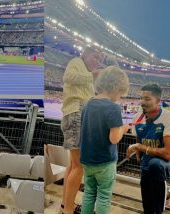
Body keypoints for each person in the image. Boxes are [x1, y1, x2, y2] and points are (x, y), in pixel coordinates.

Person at [60, 47, 105, 214]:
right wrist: (92, 76)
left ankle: (65, 206)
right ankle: (68, 210)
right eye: (95, 56)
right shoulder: (77, 62)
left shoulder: (84, 70)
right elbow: (68, 77)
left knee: (73, 164)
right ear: (85, 55)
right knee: (79, 166)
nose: (97, 61)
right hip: (76, 113)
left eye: (100, 58)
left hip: (77, 114)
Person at [80, 66, 130, 214]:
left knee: (89, 193)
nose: (120, 96)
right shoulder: (113, 108)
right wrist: (124, 128)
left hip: (87, 160)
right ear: (116, 87)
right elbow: (114, 139)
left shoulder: (88, 104)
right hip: (105, 162)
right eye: (121, 93)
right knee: (103, 196)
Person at [126, 84, 170, 214]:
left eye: (147, 99)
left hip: (166, 162)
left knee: (155, 165)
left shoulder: (169, 117)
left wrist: (139, 147)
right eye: (141, 98)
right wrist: (138, 150)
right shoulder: (137, 118)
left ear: (158, 101)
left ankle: (160, 207)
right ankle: (167, 195)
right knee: (147, 201)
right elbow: (139, 138)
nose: (143, 102)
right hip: (147, 162)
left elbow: (167, 154)